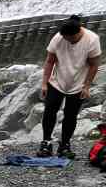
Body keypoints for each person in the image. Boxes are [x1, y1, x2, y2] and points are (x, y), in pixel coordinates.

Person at [37, 15, 102, 159]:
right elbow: (49, 61)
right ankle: (46, 142)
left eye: (70, 39)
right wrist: (44, 83)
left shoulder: (92, 40)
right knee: (49, 111)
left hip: (78, 84)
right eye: (65, 38)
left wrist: (86, 86)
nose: (67, 41)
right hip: (57, 81)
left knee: (70, 115)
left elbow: (94, 65)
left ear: (78, 32)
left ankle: (65, 145)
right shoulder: (59, 37)